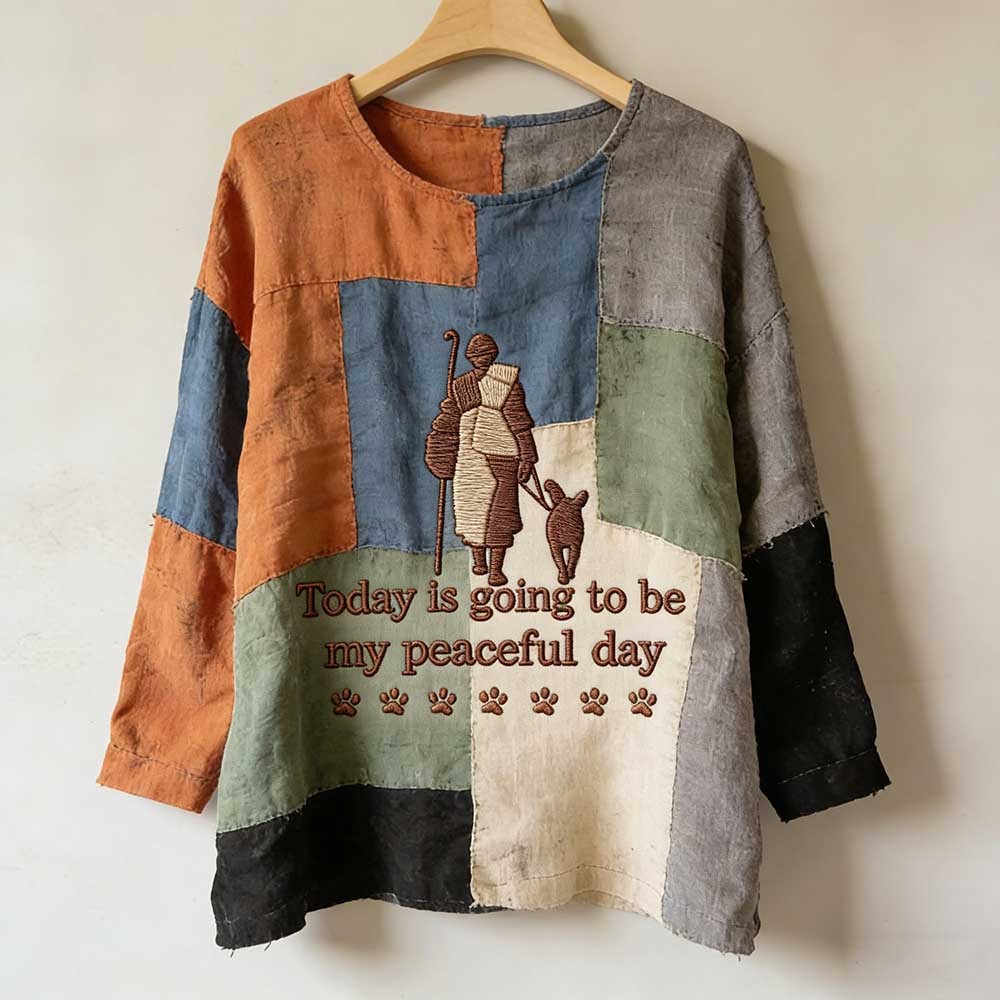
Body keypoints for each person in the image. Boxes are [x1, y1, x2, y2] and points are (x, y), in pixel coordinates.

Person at [425, 333, 538, 586]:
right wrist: (440, 450)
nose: (481, 359)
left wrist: (527, 457)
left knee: (496, 513)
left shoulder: (504, 382)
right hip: (471, 458)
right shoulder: (463, 386)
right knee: (474, 511)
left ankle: (494, 568)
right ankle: (481, 564)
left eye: (483, 354)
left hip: (498, 455)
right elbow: (449, 420)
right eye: (478, 354)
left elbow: (518, 421)